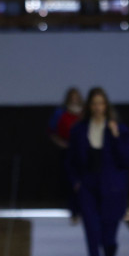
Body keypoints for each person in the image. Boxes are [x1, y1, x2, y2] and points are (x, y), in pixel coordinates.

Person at [67, 87, 129, 256]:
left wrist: (116, 136)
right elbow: (71, 160)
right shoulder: (79, 130)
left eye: (101, 103)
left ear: (106, 105)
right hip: (88, 189)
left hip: (112, 191)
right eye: (94, 103)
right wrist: (76, 183)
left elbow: (125, 160)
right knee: (92, 237)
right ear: (89, 106)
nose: (98, 107)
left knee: (109, 239)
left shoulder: (119, 129)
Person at [49, 87, 85, 221]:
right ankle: (74, 210)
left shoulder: (85, 112)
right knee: (72, 181)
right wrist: (62, 143)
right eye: (72, 97)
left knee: (84, 181)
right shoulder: (61, 113)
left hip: (84, 151)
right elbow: (51, 131)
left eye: (76, 97)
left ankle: (84, 210)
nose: (74, 100)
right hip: (69, 151)